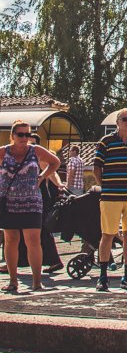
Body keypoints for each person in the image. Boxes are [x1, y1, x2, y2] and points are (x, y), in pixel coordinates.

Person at [0, 120, 60, 292]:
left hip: (32, 201)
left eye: (28, 134)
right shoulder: (4, 152)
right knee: (11, 240)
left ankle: (36, 281)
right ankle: (13, 281)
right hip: (9, 202)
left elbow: (55, 162)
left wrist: (42, 176)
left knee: (33, 240)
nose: (25, 138)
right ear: (12, 136)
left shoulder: (36, 151)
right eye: (21, 134)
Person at [93, 108, 127, 293]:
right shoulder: (106, 142)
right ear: (117, 122)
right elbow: (97, 168)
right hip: (111, 196)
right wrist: (106, 186)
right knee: (107, 234)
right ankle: (103, 276)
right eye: (125, 119)